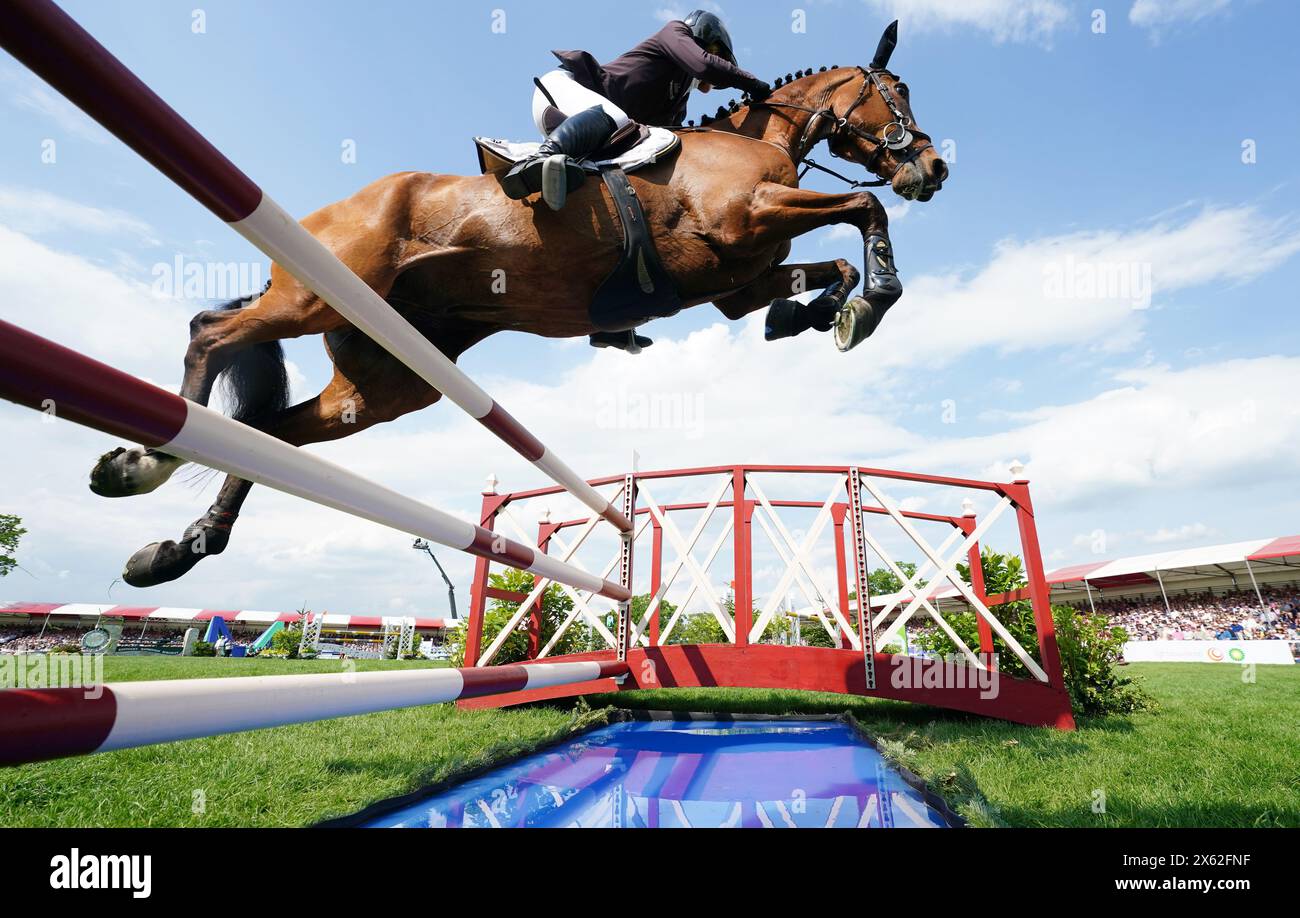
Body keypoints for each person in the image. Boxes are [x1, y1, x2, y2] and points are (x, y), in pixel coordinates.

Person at [501, 10, 772, 211]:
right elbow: (704, 66)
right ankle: (538, 160)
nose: (713, 80)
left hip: (589, 126)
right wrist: (756, 85)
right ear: (706, 39)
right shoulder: (674, 32)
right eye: (718, 54)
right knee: (618, 119)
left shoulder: (677, 102)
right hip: (561, 90)